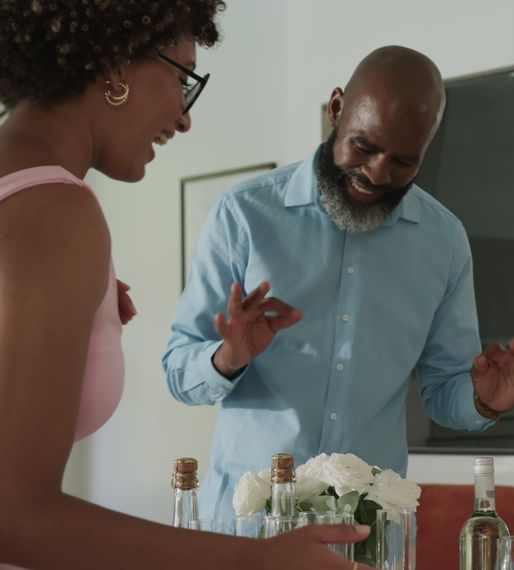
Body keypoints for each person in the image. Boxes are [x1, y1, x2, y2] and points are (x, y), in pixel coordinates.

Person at [0, 2, 370, 569]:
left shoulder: (27, 202)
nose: (185, 115)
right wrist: (262, 562)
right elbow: (15, 518)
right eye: (182, 78)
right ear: (115, 63)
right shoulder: (53, 212)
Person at [162, 45, 514, 519]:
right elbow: (179, 372)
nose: (377, 173)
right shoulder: (244, 214)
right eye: (364, 146)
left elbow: (444, 391)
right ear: (337, 108)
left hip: (368, 531)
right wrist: (228, 357)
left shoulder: (443, 241)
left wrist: (484, 401)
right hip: (249, 529)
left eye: (404, 160)